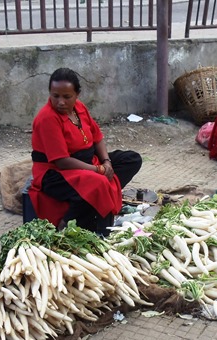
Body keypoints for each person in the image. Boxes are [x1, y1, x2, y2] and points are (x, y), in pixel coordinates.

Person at [29, 67, 142, 236]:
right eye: (55, 96)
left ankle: (92, 206)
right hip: (56, 172)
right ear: (50, 93)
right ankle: (74, 223)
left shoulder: (79, 108)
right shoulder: (48, 118)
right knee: (100, 183)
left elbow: (97, 138)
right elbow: (62, 161)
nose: (61, 102)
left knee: (132, 159)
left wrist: (106, 162)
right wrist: (98, 170)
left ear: (77, 94)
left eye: (67, 97)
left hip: (88, 162)